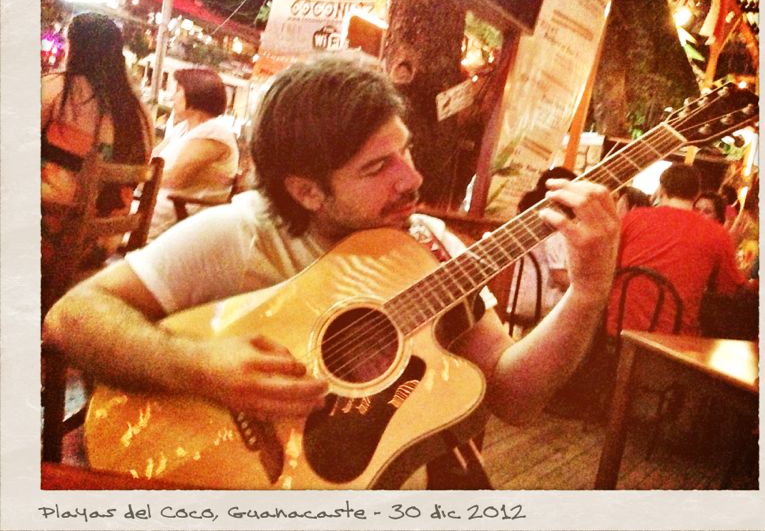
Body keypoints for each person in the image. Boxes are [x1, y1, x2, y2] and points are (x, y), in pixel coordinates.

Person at [43, 57, 619, 488]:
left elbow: (516, 398)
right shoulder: (239, 235)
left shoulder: (429, 245)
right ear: (307, 191)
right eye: (377, 167)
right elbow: (71, 317)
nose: (411, 179)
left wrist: (588, 289)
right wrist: (202, 367)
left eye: (405, 151)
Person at [41, 12, 153, 304]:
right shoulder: (140, 113)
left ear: (74, 47)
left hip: (51, 239)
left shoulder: (58, 89)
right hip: (102, 245)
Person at [607, 163, 745, 338]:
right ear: (696, 195)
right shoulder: (717, 233)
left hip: (617, 331)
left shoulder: (632, 218)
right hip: (671, 341)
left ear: (661, 190)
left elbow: (609, 267)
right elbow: (729, 290)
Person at [147, 68, 239, 239]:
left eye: (178, 90)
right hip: (154, 207)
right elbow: (152, 159)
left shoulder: (214, 132)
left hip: (178, 219)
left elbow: (175, 178)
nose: (172, 97)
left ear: (196, 93)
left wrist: (137, 178)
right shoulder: (183, 129)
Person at [508, 167, 576, 335]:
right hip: (535, 306)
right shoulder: (555, 219)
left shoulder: (524, 217)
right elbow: (559, 275)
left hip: (509, 298)